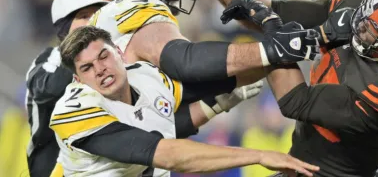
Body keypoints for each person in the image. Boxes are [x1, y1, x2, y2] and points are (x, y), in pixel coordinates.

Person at [219, 0, 378, 177]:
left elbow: (295, 100)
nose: (359, 23)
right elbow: (278, 9)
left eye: (372, 29)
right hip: (296, 165)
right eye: (366, 14)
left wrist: (274, 27)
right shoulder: (362, 6)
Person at [93, 0, 319, 120]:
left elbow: (159, 128)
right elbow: (185, 61)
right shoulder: (136, 9)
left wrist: (216, 100)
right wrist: (270, 50)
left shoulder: (116, 19)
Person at [51, 25, 320, 177]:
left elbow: (215, 81)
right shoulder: (76, 112)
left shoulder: (145, 77)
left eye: (104, 57)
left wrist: (277, 54)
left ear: (120, 53)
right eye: (86, 68)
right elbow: (168, 154)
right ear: (77, 81)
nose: (100, 69)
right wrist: (260, 156)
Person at [25, 0, 108, 177]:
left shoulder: (112, 58)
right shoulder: (48, 60)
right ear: (64, 26)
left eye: (96, 14)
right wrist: (79, 53)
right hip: (52, 168)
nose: (93, 21)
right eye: (83, 16)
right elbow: (49, 91)